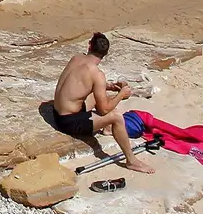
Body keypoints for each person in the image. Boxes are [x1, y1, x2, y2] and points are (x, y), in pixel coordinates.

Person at [49, 33, 154, 172]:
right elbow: (104, 110)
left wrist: (107, 86)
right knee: (116, 116)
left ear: (89, 45)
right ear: (105, 54)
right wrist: (121, 95)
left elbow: (79, 85)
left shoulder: (76, 59)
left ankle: (106, 128)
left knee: (101, 95)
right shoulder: (97, 74)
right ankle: (131, 160)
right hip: (67, 122)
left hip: (58, 111)